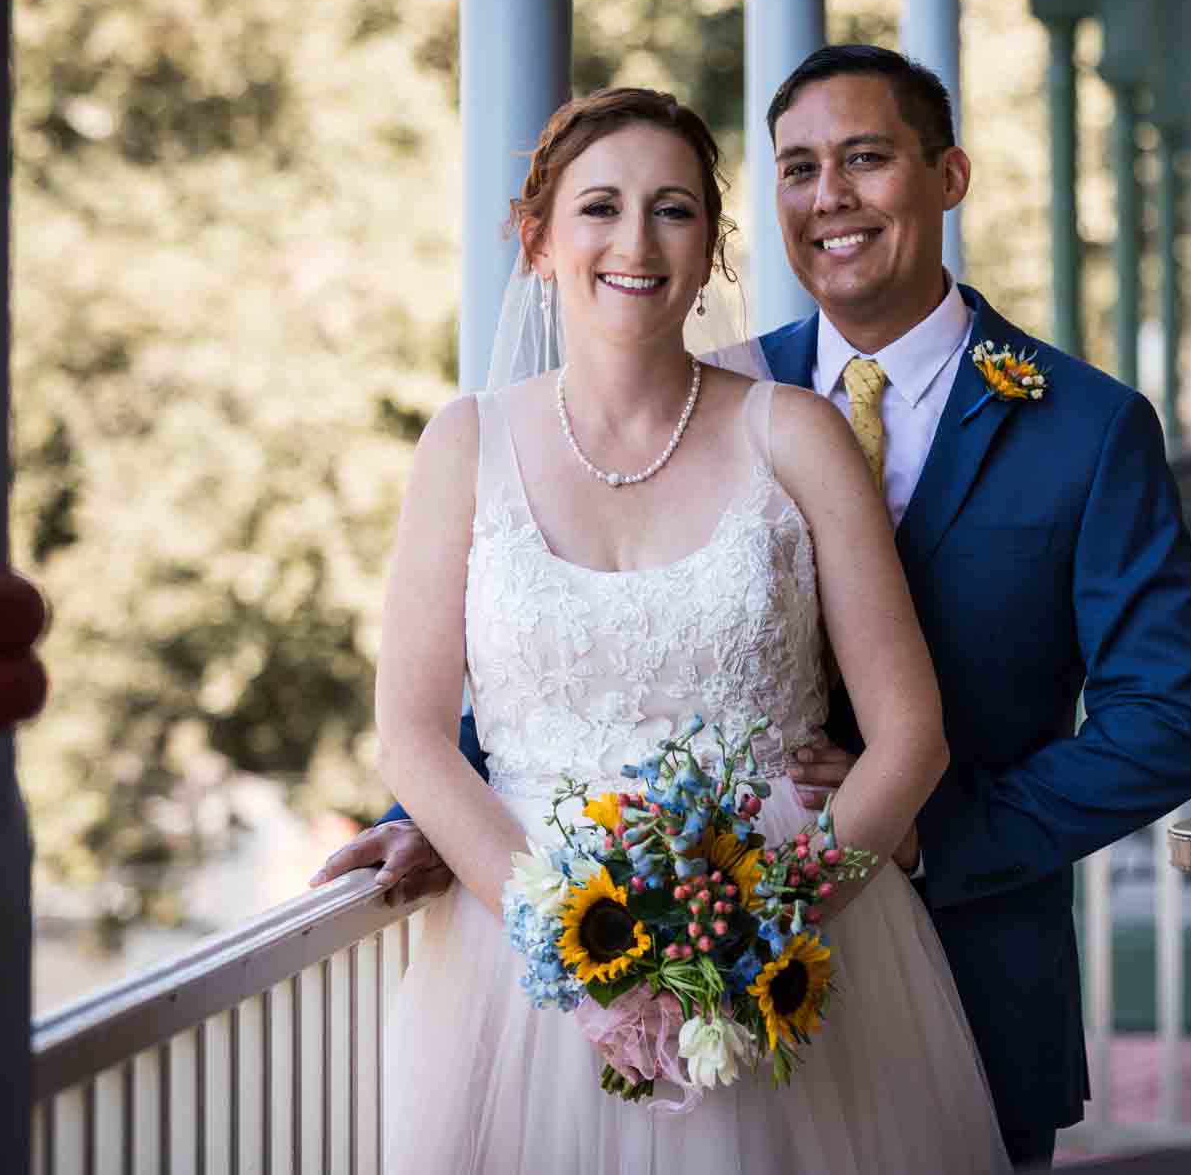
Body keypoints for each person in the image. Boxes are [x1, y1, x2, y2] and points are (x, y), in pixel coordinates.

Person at [320, 47, 1191, 1166]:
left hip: (901, 970)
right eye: (798, 167)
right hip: (552, 971)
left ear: (947, 175)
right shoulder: (734, 385)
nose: (829, 196)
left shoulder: (1080, 428)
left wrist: (903, 851)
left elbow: (1166, 722)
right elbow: (556, 667)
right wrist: (453, 836)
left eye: (864, 158)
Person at [366, 85, 1011, 1172]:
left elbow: (909, 736)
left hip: (792, 949)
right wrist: (579, 964)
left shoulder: (795, 436)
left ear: (710, 246)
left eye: (672, 210)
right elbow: (414, 738)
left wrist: (760, 936)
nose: (635, 240)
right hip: (517, 967)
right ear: (536, 241)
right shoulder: (461, 447)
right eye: (598, 207)